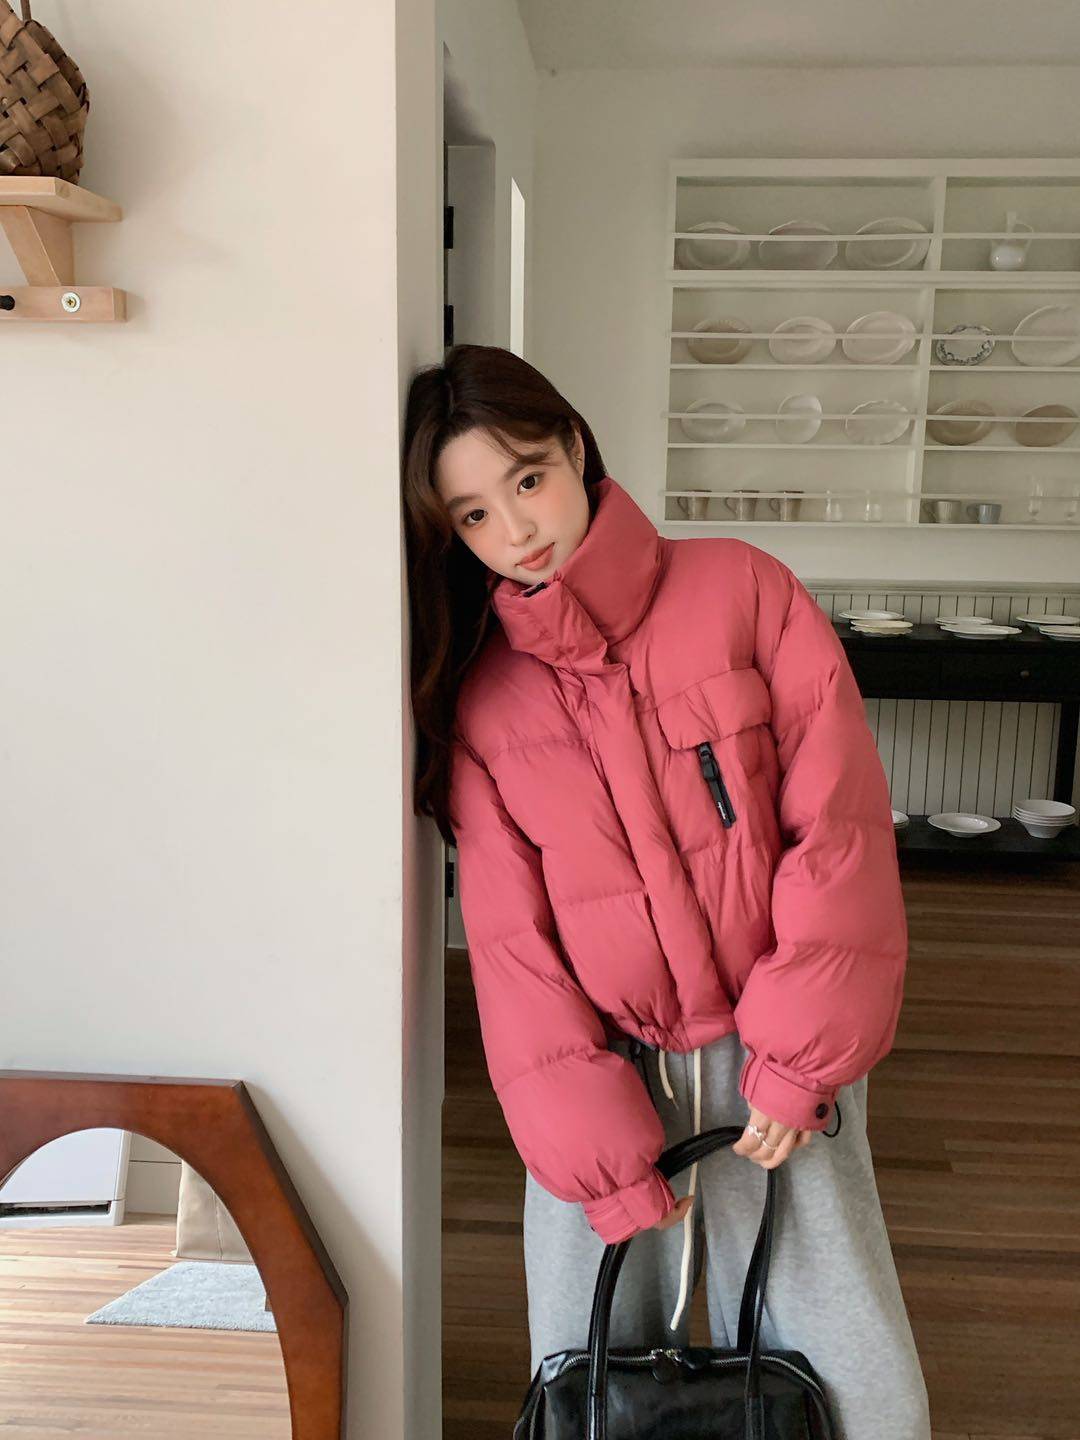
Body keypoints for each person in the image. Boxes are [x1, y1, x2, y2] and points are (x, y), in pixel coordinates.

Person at [405, 343, 932, 1440]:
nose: (517, 529)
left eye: (528, 479)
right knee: (594, 1373)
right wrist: (592, 1156)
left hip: (771, 1042)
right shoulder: (487, 700)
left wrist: (798, 1060)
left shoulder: (742, 590)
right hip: (607, 1064)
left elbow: (835, 825)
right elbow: (512, 946)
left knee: (841, 1345)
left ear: (575, 448)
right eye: (475, 515)